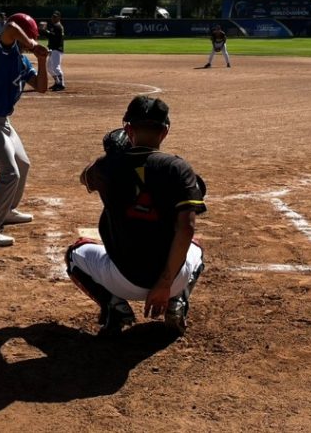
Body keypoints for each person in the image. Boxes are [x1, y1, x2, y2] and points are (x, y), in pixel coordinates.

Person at [67, 96, 207, 337]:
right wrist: (164, 284)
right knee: (195, 246)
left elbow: (84, 177)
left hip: (121, 279)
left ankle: (116, 307)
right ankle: (177, 304)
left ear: (127, 128)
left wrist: (111, 157)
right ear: (165, 132)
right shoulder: (178, 168)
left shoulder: (107, 166)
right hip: (172, 281)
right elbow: (187, 228)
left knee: (74, 253)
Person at [0, 13, 50, 247]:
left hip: (3, 122)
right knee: (10, 173)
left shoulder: (23, 62)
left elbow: (43, 87)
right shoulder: (4, 51)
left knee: (23, 165)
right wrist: (33, 45)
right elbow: (12, 27)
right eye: (32, 36)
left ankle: (7, 210)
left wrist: (42, 60)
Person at [45, 11, 66, 91]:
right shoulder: (55, 26)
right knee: (49, 67)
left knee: (56, 67)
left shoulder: (57, 26)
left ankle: (61, 84)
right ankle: (57, 82)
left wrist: (44, 31)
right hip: (53, 49)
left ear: (59, 18)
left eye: (55, 17)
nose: (53, 18)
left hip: (57, 49)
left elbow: (52, 36)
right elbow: (51, 36)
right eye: (53, 16)